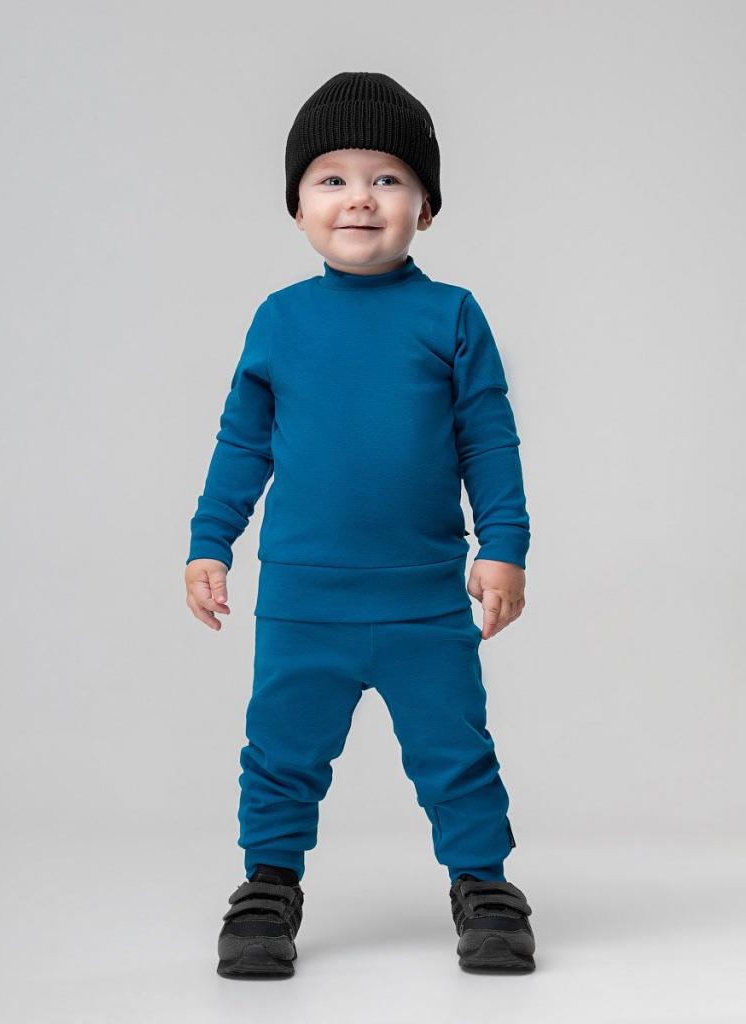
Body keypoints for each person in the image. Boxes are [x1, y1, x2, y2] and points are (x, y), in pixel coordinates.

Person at [184, 71, 536, 977]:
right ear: (297, 205)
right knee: (281, 751)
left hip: (424, 599)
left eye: (388, 178)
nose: (360, 198)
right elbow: (241, 443)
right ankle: (268, 885)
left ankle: (484, 884)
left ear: (427, 206)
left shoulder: (450, 314)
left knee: (455, 750)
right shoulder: (280, 320)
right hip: (305, 600)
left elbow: (488, 438)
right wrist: (209, 543)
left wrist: (503, 547)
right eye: (332, 179)